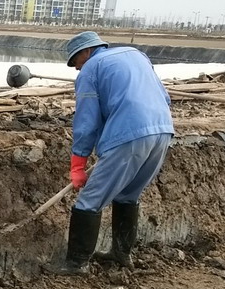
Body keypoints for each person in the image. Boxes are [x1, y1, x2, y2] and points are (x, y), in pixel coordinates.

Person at [48, 31, 174, 275]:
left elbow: (86, 122)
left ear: (86, 52)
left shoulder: (91, 69)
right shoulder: (136, 55)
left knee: (89, 200)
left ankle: (76, 264)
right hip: (163, 130)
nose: (77, 68)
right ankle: (121, 253)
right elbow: (164, 97)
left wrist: (77, 164)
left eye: (76, 62)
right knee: (128, 194)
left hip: (129, 135)